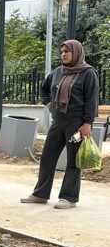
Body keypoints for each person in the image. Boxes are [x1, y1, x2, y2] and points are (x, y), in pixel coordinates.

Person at [21, 40, 99, 209]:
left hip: (76, 125)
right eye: (62, 51)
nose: (63, 54)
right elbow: (44, 88)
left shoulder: (88, 73)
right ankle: (40, 194)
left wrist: (87, 123)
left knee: (73, 161)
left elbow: (92, 100)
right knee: (47, 157)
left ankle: (69, 197)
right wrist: (49, 104)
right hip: (58, 123)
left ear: (76, 52)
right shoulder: (58, 72)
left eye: (67, 51)